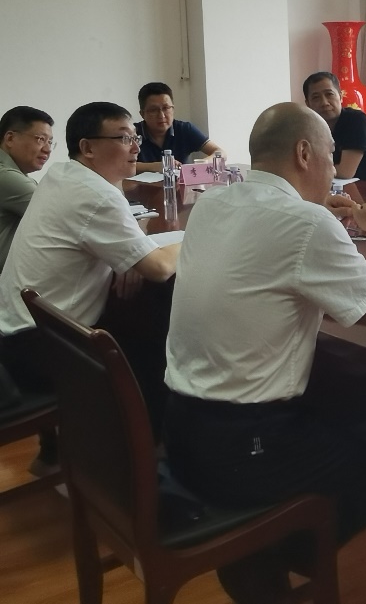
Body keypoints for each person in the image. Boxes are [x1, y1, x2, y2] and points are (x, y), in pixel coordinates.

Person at [163, 102, 366, 603]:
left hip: (180, 430)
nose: (334, 169)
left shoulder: (213, 203)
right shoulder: (305, 223)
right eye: (329, 154)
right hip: (243, 448)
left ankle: (261, 555)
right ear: (304, 153)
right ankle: (266, 554)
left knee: (342, 410)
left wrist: (321, 230)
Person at [0, 102, 180, 439]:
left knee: (141, 320)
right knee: (157, 342)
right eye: (124, 138)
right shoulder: (95, 195)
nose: (136, 147)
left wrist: (129, 255)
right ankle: (144, 448)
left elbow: (116, 233)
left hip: (16, 332)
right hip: (40, 347)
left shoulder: (63, 174)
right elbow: (158, 268)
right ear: (88, 147)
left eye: (136, 138)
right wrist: (193, 237)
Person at [303, 71, 366, 183]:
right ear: (308, 104)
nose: (324, 102)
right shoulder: (309, 126)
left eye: (329, 94)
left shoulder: (356, 120)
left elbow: (345, 172)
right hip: (332, 187)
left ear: (340, 97)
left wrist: (306, 169)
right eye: (316, 98)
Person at [0, 106, 54, 269]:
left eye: (50, 142)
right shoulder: (5, 176)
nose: (47, 149)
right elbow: (64, 218)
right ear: (10, 138)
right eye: (40, 139)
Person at [134, 82, 224, 173]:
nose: (161, 115)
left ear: (173, 109)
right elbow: (124, 165)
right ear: (142, 114)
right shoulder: (132, 133)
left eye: (166, 108)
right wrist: (155, 166)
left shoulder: (184, 129)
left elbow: (221, 153)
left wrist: (202, 163)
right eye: (153, 110)